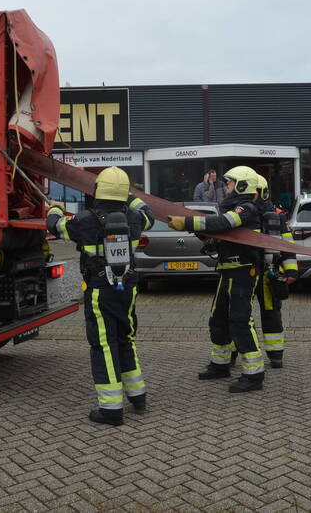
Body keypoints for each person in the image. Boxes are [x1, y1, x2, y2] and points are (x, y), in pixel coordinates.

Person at [46, 166, 154, 425]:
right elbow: (149, 214)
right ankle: (137, 396)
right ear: (123, 193)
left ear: (98, 190)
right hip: (128, 287)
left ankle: (111, 409)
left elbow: (56, 227)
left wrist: (54, 209)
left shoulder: (85, 220)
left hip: (100, 288)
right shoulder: (136, 218)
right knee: (126, 338)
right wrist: (129, 195)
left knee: (104, 344)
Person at [168, 165, 267, 392]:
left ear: (242, 186)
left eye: (230, 182)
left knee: (240, 321)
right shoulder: (231, 208)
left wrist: (187, 222)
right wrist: (202, 235)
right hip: (227, 270)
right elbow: (219, 235)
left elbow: (223, 224)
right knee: (218, 319)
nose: (227, 186)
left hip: (243, 271)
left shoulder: (247, 208)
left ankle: (254, 374)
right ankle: (220, 365)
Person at [252, 174, 298, 368]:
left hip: (267, 272)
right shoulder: (241, 214)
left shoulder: (277, 216)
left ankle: (276, 354)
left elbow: (288, 245)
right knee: (239, 314)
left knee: (271, 313)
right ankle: (237, 353)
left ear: (262, 192)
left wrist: (291, 271)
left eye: (254, 191)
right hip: (245, 271)